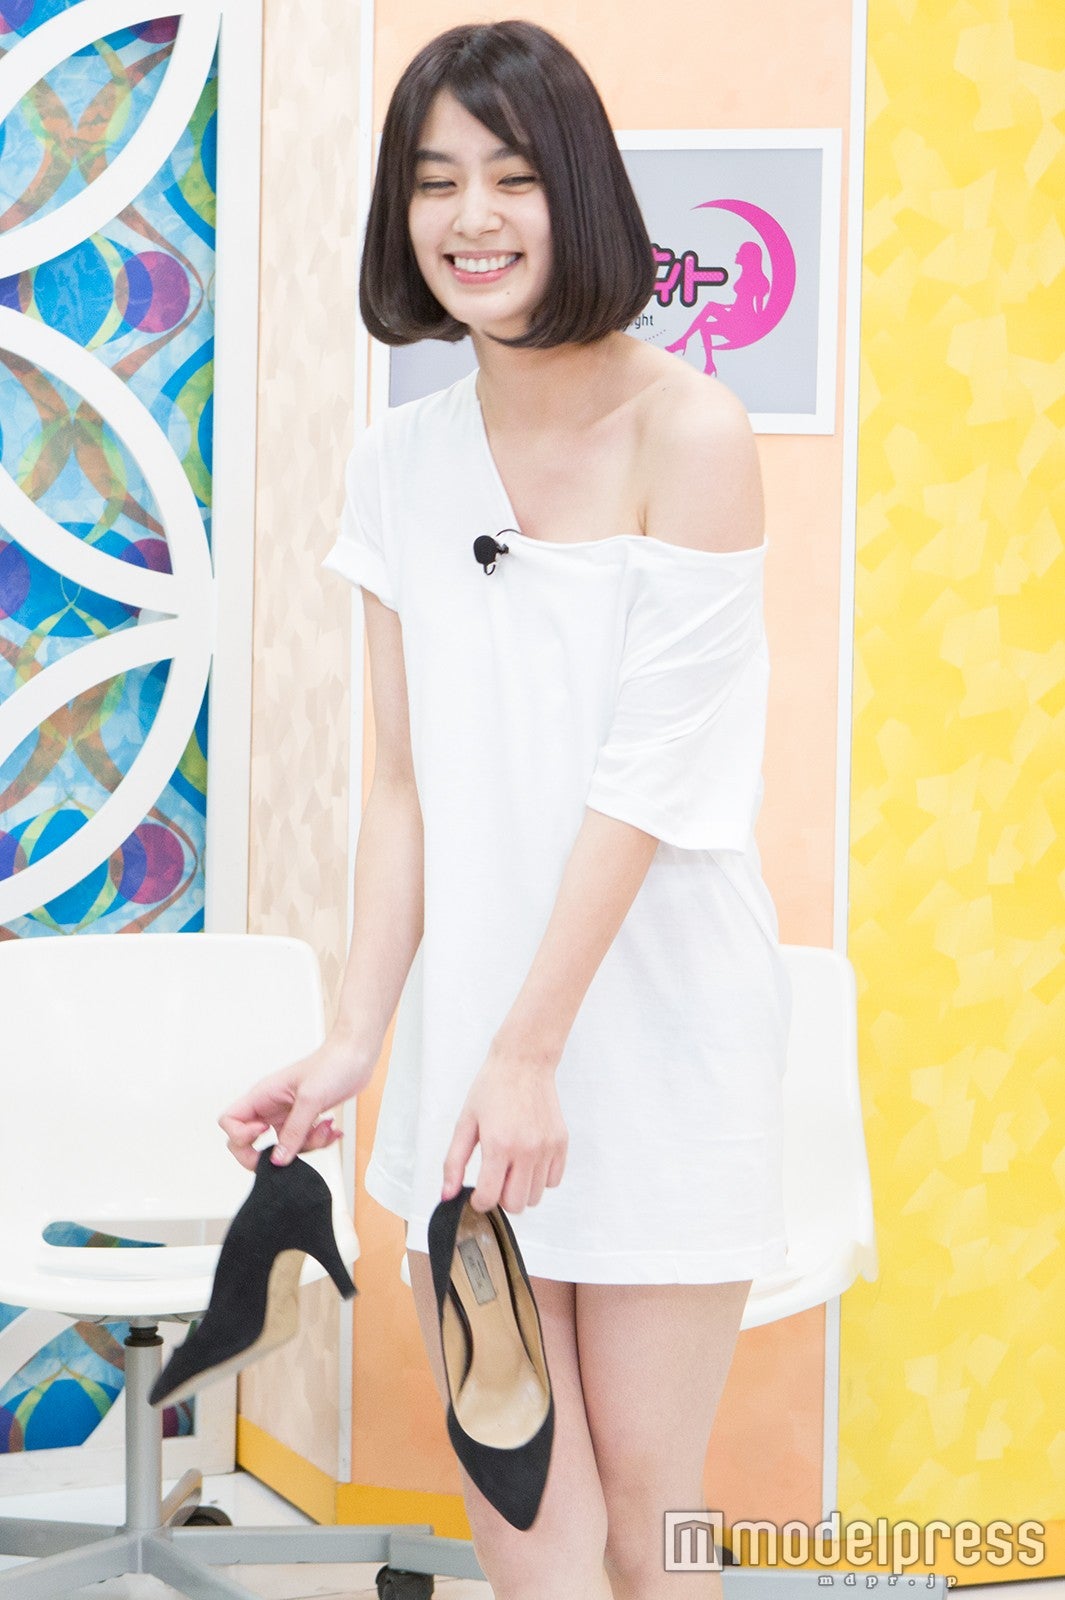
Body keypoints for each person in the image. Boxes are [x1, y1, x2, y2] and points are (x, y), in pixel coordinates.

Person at [221, 20, 791, 1600]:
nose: (469, 216)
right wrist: (357, 1040)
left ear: (578, 193)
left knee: (652, 1505)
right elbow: (405, 783)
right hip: (473, 1057)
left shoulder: (691, 432)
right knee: (523, 1513)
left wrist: (530, 1054)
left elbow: (650, 781)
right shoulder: (397, 463)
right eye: (433, 182)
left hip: (657, 1036)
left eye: (510, 175)